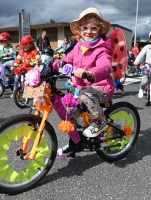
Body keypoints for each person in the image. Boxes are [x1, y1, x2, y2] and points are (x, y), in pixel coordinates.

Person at [59, 7, 115, 156]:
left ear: (100, 30)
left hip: (101, 89)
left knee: (84, 95)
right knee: (70, 115)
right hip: (84, 89)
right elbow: (67, 59)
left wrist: (90, 73)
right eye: (84, 28)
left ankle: (101, 120)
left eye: (93, 28)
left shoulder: (102, 49)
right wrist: (54, 65)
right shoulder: (78, 46)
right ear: (80, 30)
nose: (88, 31)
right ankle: (76, 142)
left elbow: (105, 66)